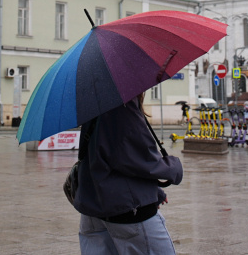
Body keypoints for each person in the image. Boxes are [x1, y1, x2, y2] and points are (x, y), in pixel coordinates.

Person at [73, 94, 183, 254]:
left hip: (93, 209)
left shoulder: (94, 99)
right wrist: (173, 168)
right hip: (128, 212)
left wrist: (153, 192)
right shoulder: (121, 104)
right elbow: (140, 157)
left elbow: (104, 154)